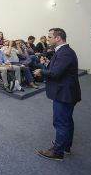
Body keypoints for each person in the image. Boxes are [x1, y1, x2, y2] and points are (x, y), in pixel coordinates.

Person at [34, 28, 81, 161]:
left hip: (64, 94)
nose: (47, 39)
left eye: (49, 37)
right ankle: (65, 146)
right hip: (66, 92)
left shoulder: (65, 53)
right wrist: (47, 64)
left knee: (60, 122)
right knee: (66, 120)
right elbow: (58, 68)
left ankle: (58, 152)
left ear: (58, 38)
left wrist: (41, 71)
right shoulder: (63, 51)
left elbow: (55, 73)